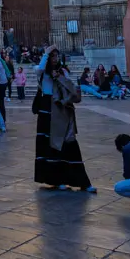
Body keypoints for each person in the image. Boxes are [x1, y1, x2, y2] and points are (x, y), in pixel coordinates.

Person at [33, 48, 95, 192]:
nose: (55, 59)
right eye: (52, 56)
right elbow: (41, 67)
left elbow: (71, 89)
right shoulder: (41, 72)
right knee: (50, 145)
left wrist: (59, 77)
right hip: (46, 109)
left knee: (68, 142)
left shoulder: (63, 72)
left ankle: (82, 181)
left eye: (56, 56)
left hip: (61, 108)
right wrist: (46, 52)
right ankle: (56, 179)